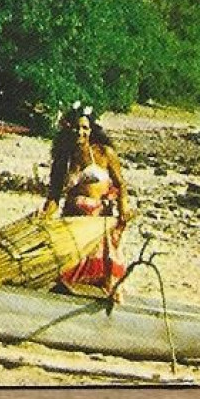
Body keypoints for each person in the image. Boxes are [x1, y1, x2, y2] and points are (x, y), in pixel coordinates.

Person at [41, 102, 131, 292]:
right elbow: (54, 196)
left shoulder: (104, 153)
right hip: (73, 220)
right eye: (75, 127)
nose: (79, 132)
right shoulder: (63, 159)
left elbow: (121, 184)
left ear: (92, 130)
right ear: (68, 128)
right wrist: (45, 216)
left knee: (103, 272)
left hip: (97, 223)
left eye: (84, 128)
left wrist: (123, 206)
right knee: (66, 269)